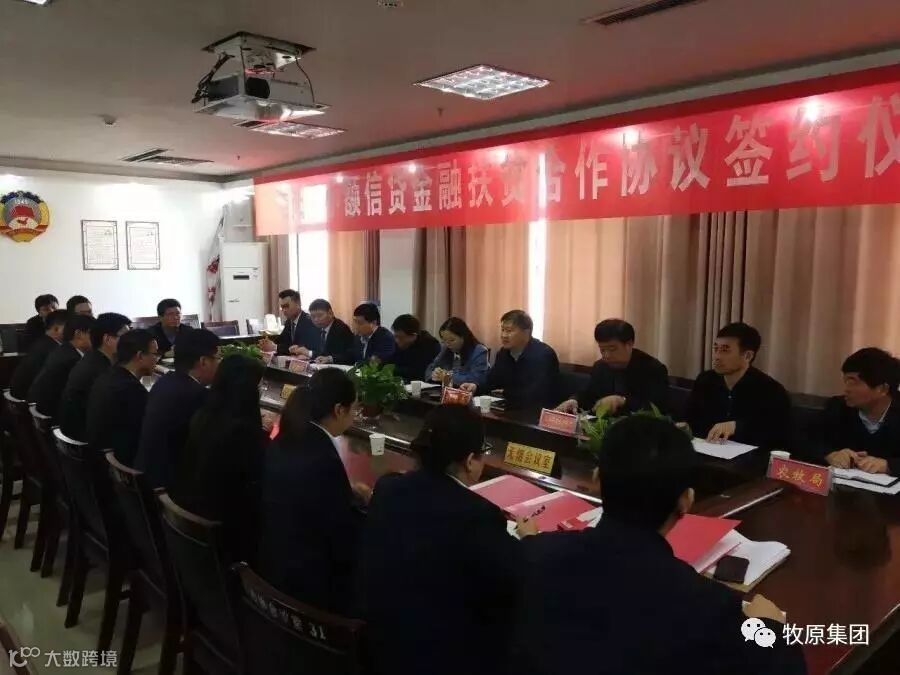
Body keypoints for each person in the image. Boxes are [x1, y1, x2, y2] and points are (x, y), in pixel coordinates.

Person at [514, 415, 806, 675]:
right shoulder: (706, 605)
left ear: (597, 480)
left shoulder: (532, 556)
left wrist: (532, 539)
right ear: (686, 500)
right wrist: (770, 627)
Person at [361, 405, 536, 675]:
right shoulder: (478, 514)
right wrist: (530, 540)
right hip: (441, 657)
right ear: (470, 460)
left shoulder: (388, 488)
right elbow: (514, 578)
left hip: (381, 642)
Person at [258, 368, 368, 613]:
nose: (354, 416)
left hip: (274, 557)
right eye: (354, 408)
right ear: (339, 409)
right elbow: (342, 537)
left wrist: (346, 492)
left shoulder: (288, 436)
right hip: (307, 582)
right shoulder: (322, 458)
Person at [171, 354, 268, 563]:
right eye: (258, 386)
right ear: (247, 390)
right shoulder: (242, 432)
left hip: (192, 526)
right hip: (226, 536)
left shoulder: (204, 416)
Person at [135, 329, 222, 487]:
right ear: (203, 361)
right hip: (170, 486)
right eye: (218, 358)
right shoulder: (196, 395)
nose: (220, 364)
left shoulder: (165, 381)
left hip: (147, 476)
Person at [685, 322, 791, 448]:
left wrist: (737, 426)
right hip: (704, 450)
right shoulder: (705, 380)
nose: (717, 356)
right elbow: (690, 418)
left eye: (725, 350)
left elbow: (777, 434)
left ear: (747, 356)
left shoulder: (771, 390)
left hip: (750, 457)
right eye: (716, 349)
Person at [557, 319, 669, 416]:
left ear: (629, 344)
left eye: (612, 349)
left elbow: (656, 408)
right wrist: (575, 400)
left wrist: (622, 400)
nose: (606, 355)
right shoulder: (600, 366)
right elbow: (590, 395)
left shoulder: (653, 369)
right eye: (602, 350)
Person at [822, 348, 900, 475]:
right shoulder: (838, 406)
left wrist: (889, 465)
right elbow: (805, 439)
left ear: (882, 389)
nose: (846, 389)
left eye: (853, 382)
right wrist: (830, 454)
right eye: (845, 381)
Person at [85, 329, 158, 464]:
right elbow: (149, 432)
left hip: (101, 456)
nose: (157, 359)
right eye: (155, 354)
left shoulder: (108, 375)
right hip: (121, 462)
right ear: (140, 356)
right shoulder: (131, 389)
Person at [461, 310, 559, 409]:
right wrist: (476, 386)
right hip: (510, 407)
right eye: (502, 330)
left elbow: (536, 393)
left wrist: (505, 392)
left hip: (537, 411)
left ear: (526, 332)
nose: (503, 335)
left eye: (509, 331)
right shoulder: (503, 353)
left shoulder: (543, 355)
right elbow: (492, 380)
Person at [59, 313, 132, 443]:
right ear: (107, 339)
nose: (131, 343)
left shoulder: (93, 358)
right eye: (125, 337)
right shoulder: (100, 370)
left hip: (79, 432)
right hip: (87, 440)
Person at [28, 314, 96, 420]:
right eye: (93, 334)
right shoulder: (72, 360)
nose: (97, 338)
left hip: (45, 410)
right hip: (55, 416)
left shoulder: (64, 350)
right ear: (78, 334)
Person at [10, 309, 67, 400]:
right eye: (70, 328)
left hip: (21, 397)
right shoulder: (53, 350)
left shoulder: (42, 342)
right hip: (30, 401)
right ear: (56, 329)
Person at [425, 317, 491, 390]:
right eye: (444, 341)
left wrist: (447, 377)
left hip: (469, 394)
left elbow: (477, 379)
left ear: (463, 337)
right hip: (447, 392)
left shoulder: (479, 351)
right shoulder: (446, 348)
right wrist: (435, 374)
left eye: (452, 340)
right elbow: (429, 370)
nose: (447, 344)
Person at [329, 303, 396, 365]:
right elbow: (350, 355)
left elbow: (374, 363)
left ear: (373, 323)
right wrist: (330, 359)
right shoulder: (358, 337)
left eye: (360, 323)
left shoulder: (385, 338)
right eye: (355, 322)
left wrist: (357, 366)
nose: (356, 326)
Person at [259, 289, 317, 356]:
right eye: (282, 307)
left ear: (298, 304)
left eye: (286, 306)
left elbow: (298, 347)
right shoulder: (289, 322)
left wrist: (275, 347)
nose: (284, 310)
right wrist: (268, 343)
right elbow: (281, 340)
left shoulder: (309, 321)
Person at [387, 314, 441, 381]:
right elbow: (387, 365)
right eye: (395, 336)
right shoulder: (397, 343)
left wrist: (396, 370)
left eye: (401, 337)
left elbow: (421, 372)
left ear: (414, 335)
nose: (397, 340)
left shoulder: (430, 344)